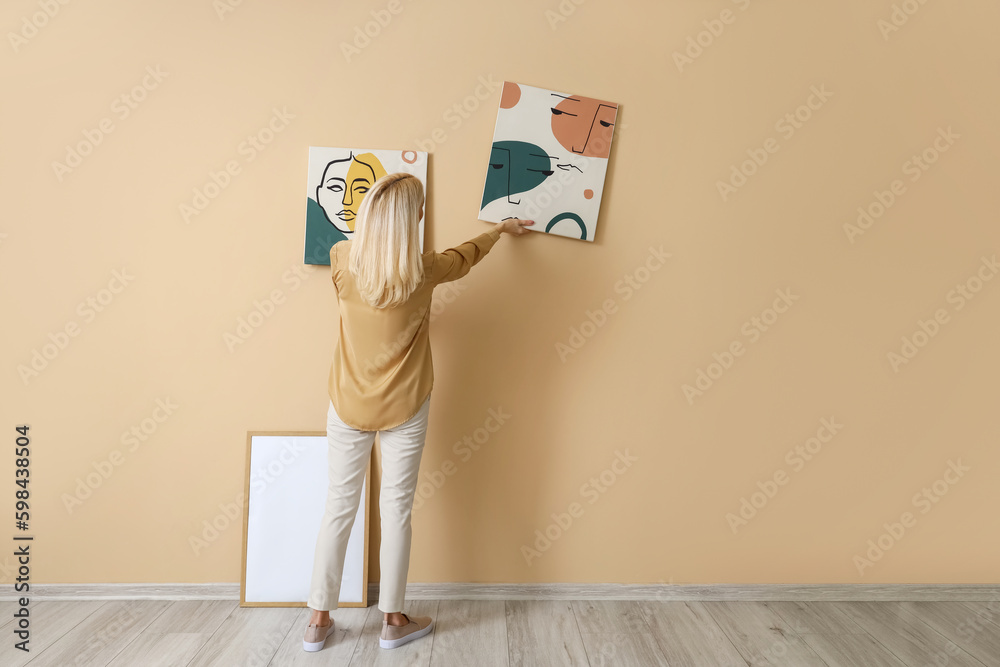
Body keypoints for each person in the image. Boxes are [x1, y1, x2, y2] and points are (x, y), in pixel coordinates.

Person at [302, 172, 534, 652]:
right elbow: (466, 257)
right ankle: (393, 621)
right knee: (397, 511)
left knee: (338, 508)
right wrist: (500, 230)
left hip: (346, 402)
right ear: (412, 220)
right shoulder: (425, 269)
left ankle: (318, 622)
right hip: (406, 405)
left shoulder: (341, 258)